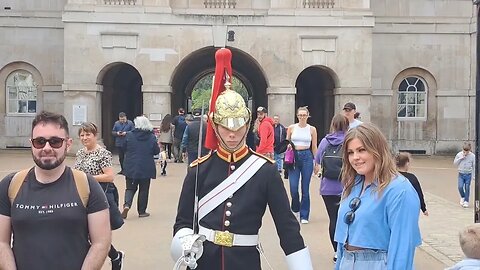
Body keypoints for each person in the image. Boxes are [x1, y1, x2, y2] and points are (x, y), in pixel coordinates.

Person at [171, 89, 313, 269]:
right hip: (205, 261)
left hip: (245, 261)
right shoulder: (199, 169)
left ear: (247, 125)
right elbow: (183, 221)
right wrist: (186, 245)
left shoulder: (265, 171)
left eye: (238, 127)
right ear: (215, 126)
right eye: (226, 127)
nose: (232, 134)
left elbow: (287, 227)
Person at [0, 111, 111, 270]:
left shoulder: (87, 185)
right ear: (31, 143)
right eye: (39, 141)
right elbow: (1, 242)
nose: (46, 148)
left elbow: (101, 242)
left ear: (68, 143)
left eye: (55, 141)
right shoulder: (10, 185)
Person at [334, 123, 421, 270]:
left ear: (377, 150)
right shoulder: (353, 185)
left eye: (361, 150)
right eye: (350, 152)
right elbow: (343, 243)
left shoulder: (399, 190)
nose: (355, 157)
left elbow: (402, 249)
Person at [74, 122, 125, 270]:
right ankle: (115, 256)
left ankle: (114, 257)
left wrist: (89, 178)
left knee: (95, 234)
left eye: (88, 134)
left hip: (99, 196)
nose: (84, 138)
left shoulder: (102, 153)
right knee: (85, 232)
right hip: (83, 195)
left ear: (95, 135)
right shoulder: (80, 153)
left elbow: (109, 177)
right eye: (82, 135)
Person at [314, 113, 348, 261]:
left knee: (333, 219)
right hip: (346, 185)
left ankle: (336, 252)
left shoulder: (325, 141)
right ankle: (346, 248)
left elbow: (318, 159)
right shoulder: (350, 140)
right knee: (347, 219)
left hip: (328, 186)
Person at [121, 115, 160, 219]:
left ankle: (127, 205)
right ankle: (142, 211)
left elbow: (123, 147)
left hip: (131, 165)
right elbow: (156, 151)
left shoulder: (129, 135)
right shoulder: (151, 137)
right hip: (146, 166)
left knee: (130, 188)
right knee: (144, 189)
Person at [286, 106, 318, 224]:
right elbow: (287, 142)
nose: (302, 117)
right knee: (293, 187)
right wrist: (288, 148)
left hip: (307, 156)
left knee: (305, 188)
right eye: (300, 115)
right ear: (297, 116)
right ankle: (295, 208)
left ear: (308, 116)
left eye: (304, 115)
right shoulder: (291, 128)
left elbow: (314, 146)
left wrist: (317, 162)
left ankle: (304, 215)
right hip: (294, 156)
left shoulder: (312, 129)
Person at [453, 142, 475, 208]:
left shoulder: (472, 156)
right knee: (460, 186)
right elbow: (455, 164)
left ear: (469, 150)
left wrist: (473, 175)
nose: (465, 153)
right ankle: (463, 196)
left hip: (468, 174)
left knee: (467, 187)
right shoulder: (459, 154)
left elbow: (474, 166)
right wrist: (460, 158)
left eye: (467, 151)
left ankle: (466, 201)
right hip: (461, 174)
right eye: (464, 151)